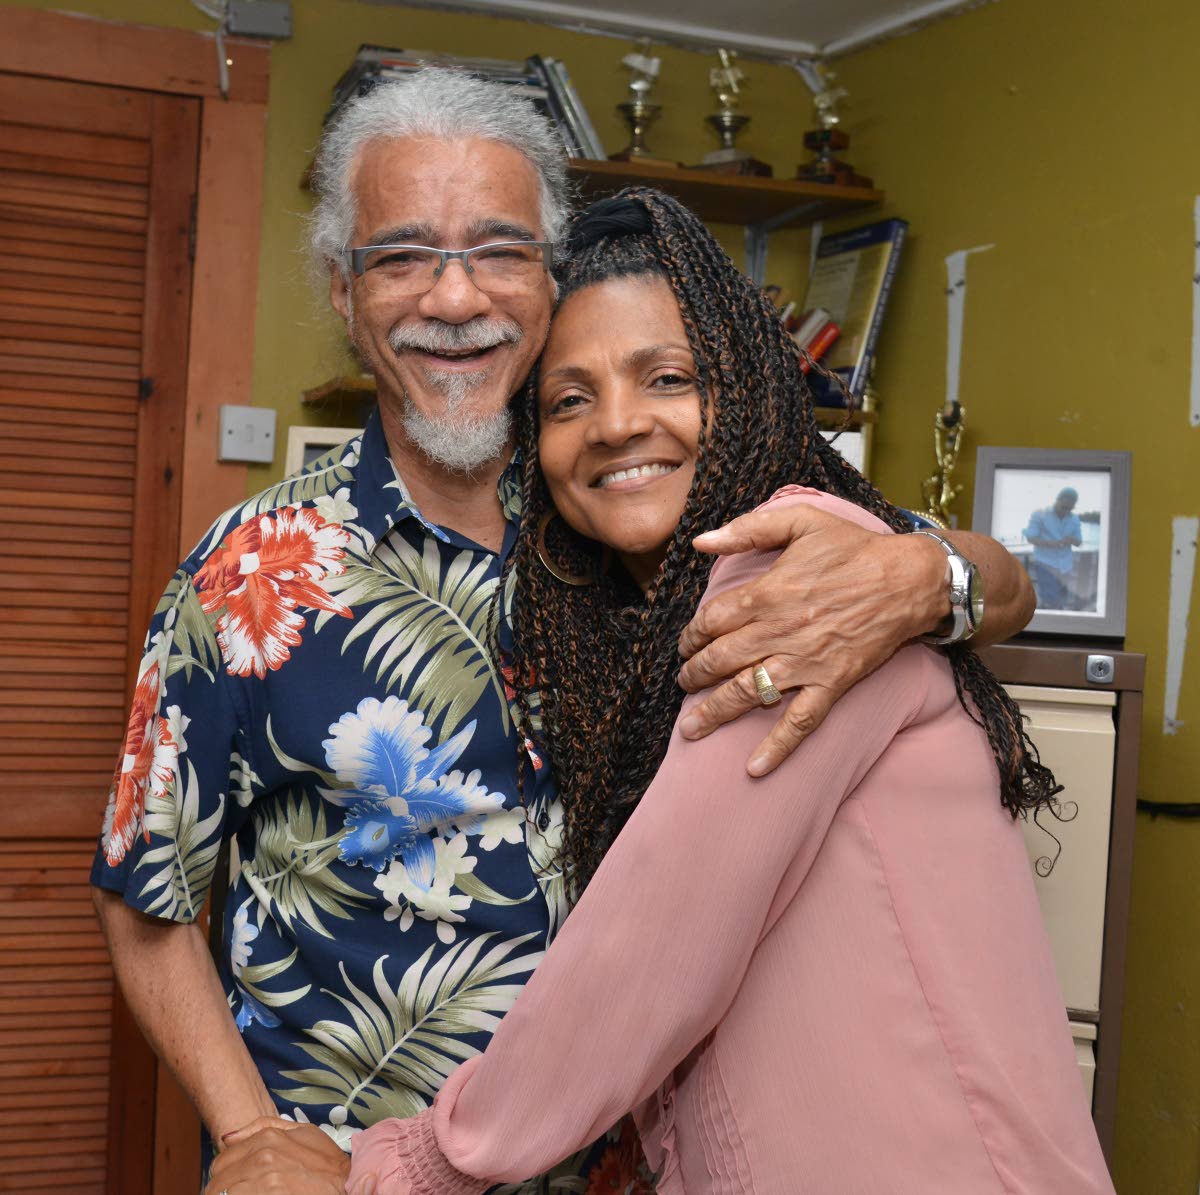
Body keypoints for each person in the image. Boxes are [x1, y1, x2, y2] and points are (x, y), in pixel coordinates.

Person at [89, 71, 1036, 1191]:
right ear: (343, 291)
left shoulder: (655, 519)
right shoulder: (248, 573)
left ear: (550, 278)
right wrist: (250, 1135)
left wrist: (928, 574)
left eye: (499, 250)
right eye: (402, 256)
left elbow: (993, 580)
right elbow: (143, 892)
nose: (454, 298)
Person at [314, 190, 1111, 1193]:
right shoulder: (656, 619)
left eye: (668, 378)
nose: (616, 425)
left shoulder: (796, 574)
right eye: (567, 401)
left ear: (743, 386)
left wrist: (419, 1162)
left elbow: (651, 946)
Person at [1023, 487, 1083, 609]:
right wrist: (1051, 544)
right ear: (1057, 500)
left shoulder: (1075, 518)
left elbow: (1079, 542)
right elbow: (1030, 538)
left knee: (1063, 599)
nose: (1066, 511)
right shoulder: (1039, 514)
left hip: (1066, 566)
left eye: (1069, 509)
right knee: (1051, 600)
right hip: (1046, 564)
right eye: (1064, 507)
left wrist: (1071, 539)